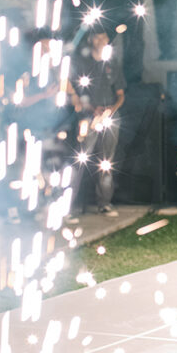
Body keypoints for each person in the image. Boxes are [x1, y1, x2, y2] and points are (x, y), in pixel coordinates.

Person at [70, 29, 126, 215]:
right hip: (88, 118)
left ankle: (105, 202)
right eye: (97, 37)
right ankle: (69, 203)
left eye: (104, 37)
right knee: (80, 158)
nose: (101, 41)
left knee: (106, 161)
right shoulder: (82, 63)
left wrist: (111, 110)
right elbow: (76, 92)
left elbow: (120, 95)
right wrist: (92, 109)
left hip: (110, 118)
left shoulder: (112, 63)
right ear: (91, 40)